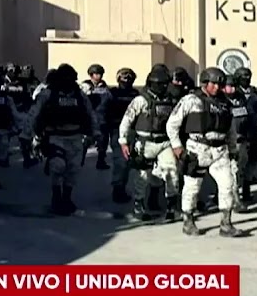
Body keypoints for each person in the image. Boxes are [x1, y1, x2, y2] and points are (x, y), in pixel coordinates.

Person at [166, 67, 240, 237]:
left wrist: (233, 149)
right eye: (214, 84)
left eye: (220, 84)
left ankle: (226, 223)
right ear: (205, 83)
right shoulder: (191, 100)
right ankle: (188, 220)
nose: (217, 87)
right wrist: (177, 146)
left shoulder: (225, 103)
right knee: (192, 187)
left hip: (220, 150)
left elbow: (231, 129)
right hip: (197, 149)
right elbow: (172, 124)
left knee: (228, 184)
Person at [26, 63, 102, 215]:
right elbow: (34, 114)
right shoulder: (48, 94)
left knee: (73, 169)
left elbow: (90, 114)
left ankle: (66, 198)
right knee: (58, 166)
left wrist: (96, 133)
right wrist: (28, 135)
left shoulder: (79, 95)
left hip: (75, 137)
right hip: (55, 136)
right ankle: (56, 196)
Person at [118, 67, 182, 221]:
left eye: (165, 84)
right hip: (145, 142)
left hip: (165, 142)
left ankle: (171, 206)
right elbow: (127, 120)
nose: (163, 87)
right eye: (160, 84)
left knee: (172, 172)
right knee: (142, 176)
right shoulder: (141, 100)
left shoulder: (170, 100)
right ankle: (139, 205)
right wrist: (123, 141)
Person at [98, 68, 140, 204]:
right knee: (121, 161)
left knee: (128, 162)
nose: (127, 80)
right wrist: (103, 127)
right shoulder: (111, 93)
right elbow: (102, 110)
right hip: (117, 130)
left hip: (133, 131)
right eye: (124, 77)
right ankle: (118, 189)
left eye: (129, 78)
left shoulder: (136, 95)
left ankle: (122, 187)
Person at [222, 73, 257, 211]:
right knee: (233, 171)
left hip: (242, 140)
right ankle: (235, 200)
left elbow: (249, 118)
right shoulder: (221, 101)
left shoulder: (241, 99)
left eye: (233, 86)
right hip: (228, 142)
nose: (231, 89)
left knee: (240, 169)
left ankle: (235, 195)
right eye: (228, 86)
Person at [3, 63, 38, 167]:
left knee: (23, 134)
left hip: (20, 110)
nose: (13, 72)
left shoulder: (23, 82)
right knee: (6, 135)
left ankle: (26, 158)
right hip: (9, 110)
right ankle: (3, 158)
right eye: (11, 70)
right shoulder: (5, 82)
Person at [80, 64, 112, 170]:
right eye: (96, 74)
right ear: (91, 75)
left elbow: (110, 101)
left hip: (102, 118)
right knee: (85, 142)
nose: (98, 76)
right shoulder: (84, 87)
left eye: (100, 74)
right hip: (88, 119)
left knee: (103, 142)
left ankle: (101, 161)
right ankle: (80, 161)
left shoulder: (104, 88)